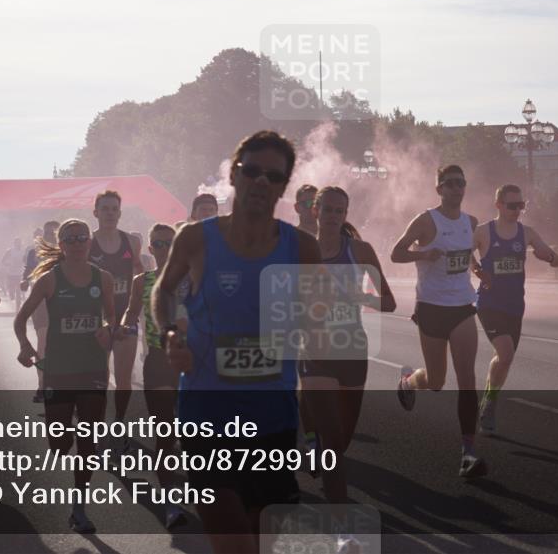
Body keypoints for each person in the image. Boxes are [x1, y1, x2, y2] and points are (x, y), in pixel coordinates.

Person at [153, 131, 322, 554]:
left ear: (283, 186)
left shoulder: (302, 248)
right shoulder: (195, 238)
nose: (261, 182)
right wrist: (171, 332)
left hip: (273, 414)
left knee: (261, 536)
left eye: (273, 176)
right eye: (252, 171)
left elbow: (319, 318)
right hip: (206, 410)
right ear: (233, 175)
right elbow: (163, 289)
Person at [14, 219, 116, 533]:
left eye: (81, 237)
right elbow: (20, 320)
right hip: (58, 368)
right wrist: (25, 345)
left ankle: (79, 508)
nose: (76, 243)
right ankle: (62, 431)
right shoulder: (49, 280)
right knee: (59, 445)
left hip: (92, 368)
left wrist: (108, 329)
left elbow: (112, 315)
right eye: (70, 239)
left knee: (87, 443)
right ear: (61, 245)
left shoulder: (104, 277)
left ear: (89, 242)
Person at [299, 186, 395, 517]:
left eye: (340, 211)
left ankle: (321, 459)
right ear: (315, 211)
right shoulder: (299, 251)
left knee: (340, 440)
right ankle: (339, 516)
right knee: (330, 437)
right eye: (327, 210)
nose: (333, 217)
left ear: (346, 214)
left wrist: (358, 298)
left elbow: (388, 302)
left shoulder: (360, 251)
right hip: (315, 352)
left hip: (352, 350)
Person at [390, 164, 488, 478]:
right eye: (450, 184)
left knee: (467, 380)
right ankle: (408, 381)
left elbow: (466, 253)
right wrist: (423, 254)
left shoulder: (470, 222)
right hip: (431, 307)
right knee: (436, 382)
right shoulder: (425, 220)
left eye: (460, 183)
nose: (456, 188)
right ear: (439, 189)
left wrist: (476, 268)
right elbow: (395, 253)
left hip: (461, 306)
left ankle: (468, 452)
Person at [474, 184, 558, 433]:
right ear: (498, 205)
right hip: (489, 304)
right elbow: (462, 252)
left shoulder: (526, 233)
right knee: (506, 353)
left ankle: (489, 398)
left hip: (515, 306)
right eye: (512, 205)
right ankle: (490, 405)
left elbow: (557, 259)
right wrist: (477, 270)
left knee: (504, 359)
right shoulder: (483, 231)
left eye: (521, 206)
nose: (517, 210)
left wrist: (550, 258)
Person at [120, 223, 188, 530]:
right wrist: (122, 326)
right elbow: (131, 312)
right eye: (157, 244)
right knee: (165, 434)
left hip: (193, 362)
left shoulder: (193, 278)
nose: (162, 249)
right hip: (159, 361)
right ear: (150, 249)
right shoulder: (142, 280)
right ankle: (171, 503)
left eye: (167, 243)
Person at [87, 191, 144, 453]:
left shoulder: (131, 242)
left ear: (120, 213)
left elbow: (138, 276)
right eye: (105, 209)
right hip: (95, 318)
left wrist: (137, 311)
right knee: (98, 378)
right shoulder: (87, 243)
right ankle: (98, 430)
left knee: (123, 378)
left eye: (114, 209)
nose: (110, 213)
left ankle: (118, 427)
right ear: (95, 212)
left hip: (124, 316)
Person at [21, 220, 60, 402]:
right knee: (43, 343)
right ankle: (42, 385)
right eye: (47, 232)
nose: (50, 235)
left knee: (65, 345)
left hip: (65, 302)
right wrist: (24, 280)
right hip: (41, 302)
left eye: (54, 233)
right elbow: (27, 271)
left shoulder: (66, 250)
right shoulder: (33, 252)